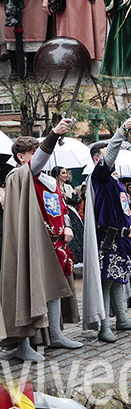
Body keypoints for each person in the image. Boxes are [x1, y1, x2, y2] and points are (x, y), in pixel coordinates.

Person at [1, 119, 80, 362]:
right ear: (21, 157)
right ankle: (24, 343)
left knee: (55, 287)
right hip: (29, 245)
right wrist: (53, 134)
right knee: (26, 288)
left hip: (55, 243)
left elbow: (61, 207)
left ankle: (55, 335)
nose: (38, 157)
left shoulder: (47, 181)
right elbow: (38, 163)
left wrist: (66, 225)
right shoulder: (19, 176)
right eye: (32, 153)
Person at [82, 117, 131, 342]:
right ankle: (103, 327)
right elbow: (109, 156)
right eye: (108, 154)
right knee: (107, 282)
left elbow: (125, 209)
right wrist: (121, 131)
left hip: (122, 239)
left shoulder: (115, 181)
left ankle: (121, 319)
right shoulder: (99, 177)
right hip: (107, 239)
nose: (113, 157)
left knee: (119, 280)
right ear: (98, 159)